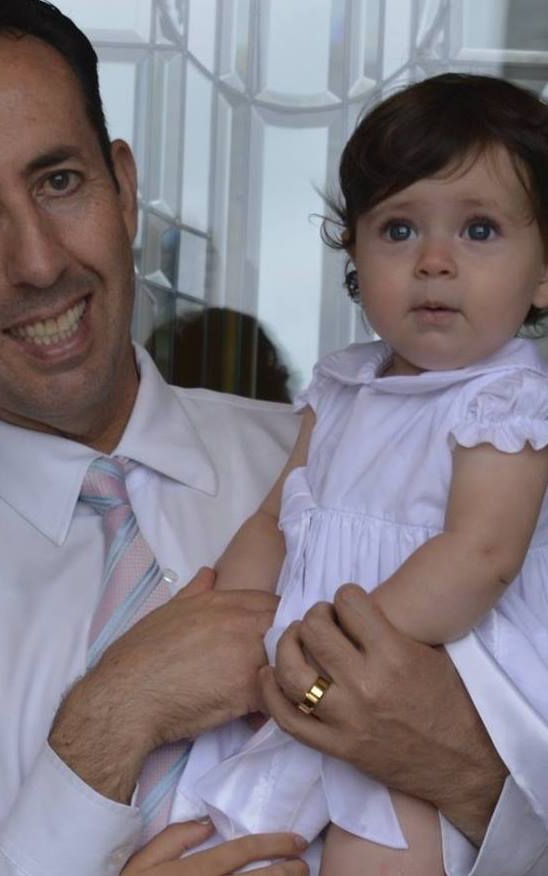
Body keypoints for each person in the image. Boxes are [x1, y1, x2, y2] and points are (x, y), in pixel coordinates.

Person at [0, 2, 543, 874]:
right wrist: (107, 722)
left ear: (123, 188)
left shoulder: (366, 473)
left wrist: (464, 772)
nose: (40, 261)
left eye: (59, 181)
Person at [174, 73, 548, 874]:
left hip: (434, 676)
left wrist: (340, 647)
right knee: (239, 837)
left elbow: (481, 555)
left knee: (379, 848)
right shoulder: (343, 387)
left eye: (479, 230)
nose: (435, 262)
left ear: (545, 271)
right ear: (354, 254)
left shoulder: (506, 400)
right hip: (314, 668)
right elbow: (276, 518)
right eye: (399, 230)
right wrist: (238, 623)